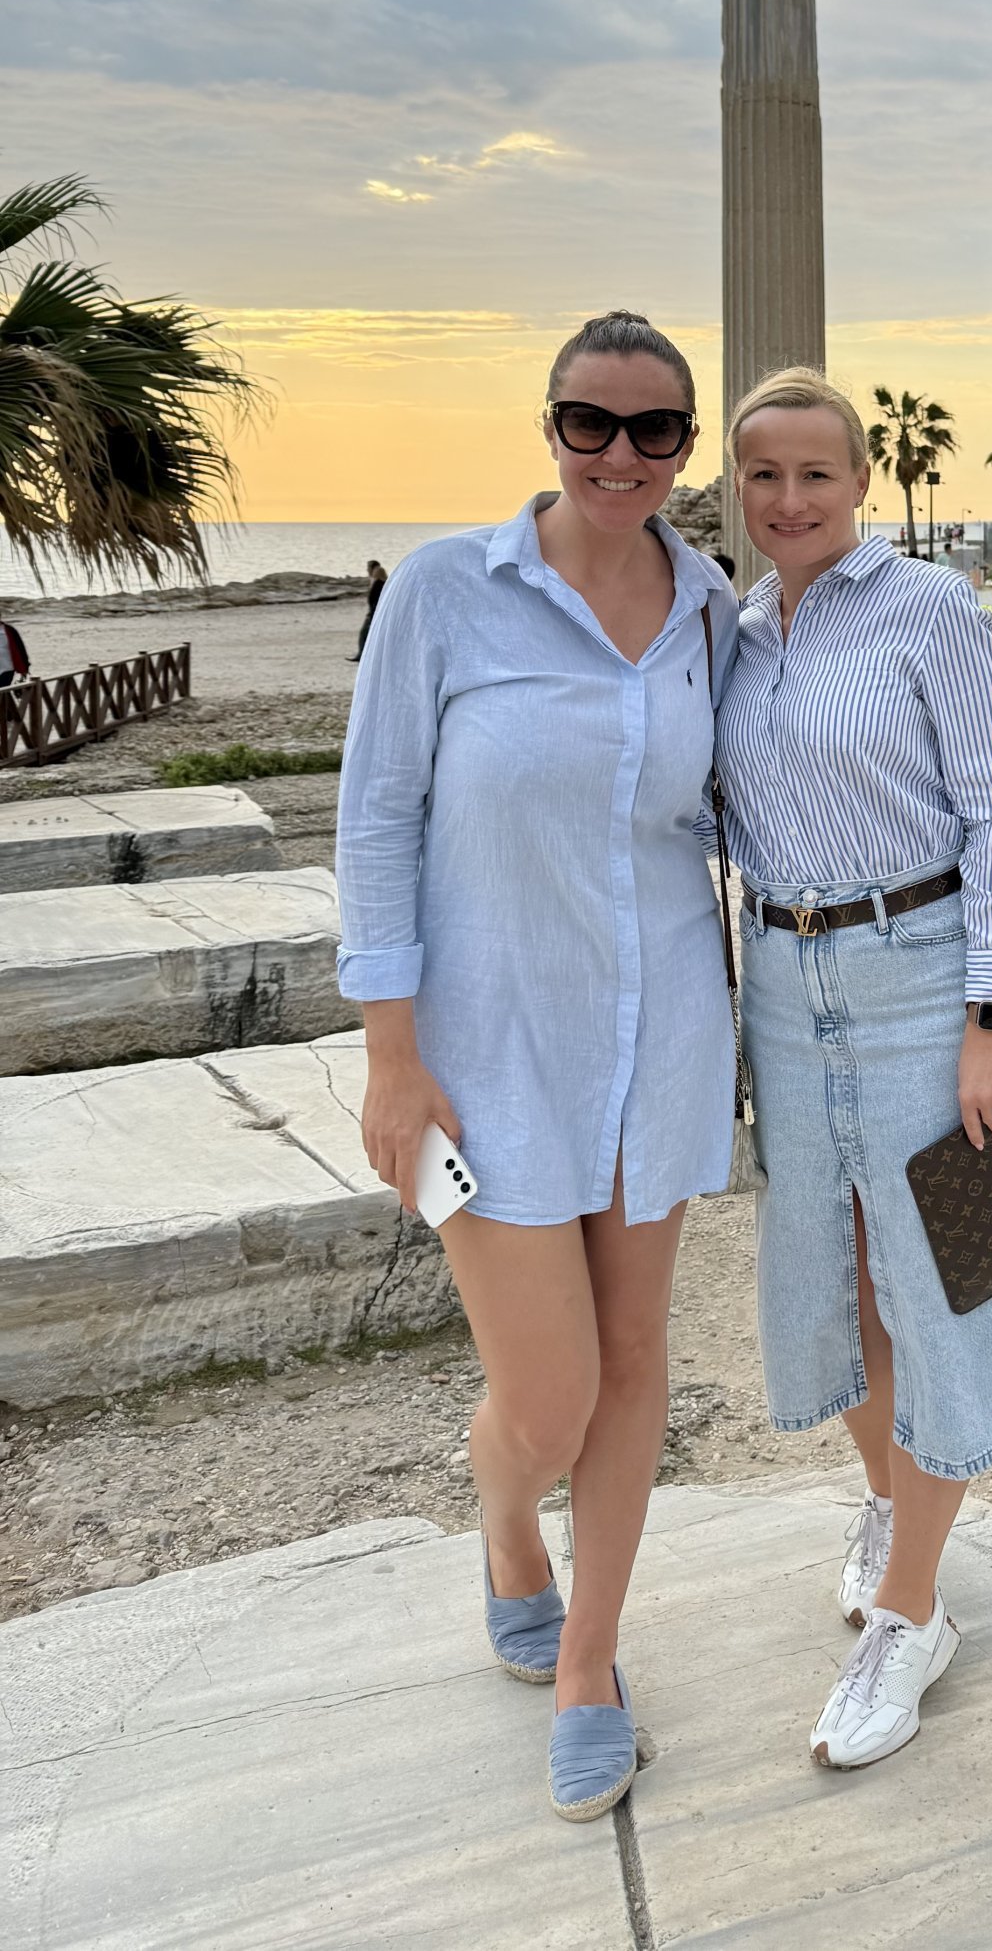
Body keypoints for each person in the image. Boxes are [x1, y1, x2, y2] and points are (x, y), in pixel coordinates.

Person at [336, 310, 736, 1822]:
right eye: (590, 423)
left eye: (654, 430)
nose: (620, 454)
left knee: (634, 1363)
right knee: (549, 1396)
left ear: (684, 446)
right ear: (550, 426)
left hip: (662, 1036)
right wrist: (390, 1055)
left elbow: (743, 809)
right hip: (490, 1050)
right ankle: (507, 1520)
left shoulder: (711, 609)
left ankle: (587, 1659)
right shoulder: (448, 590)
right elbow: (376, 816)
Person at [717, 366, 992, 1771]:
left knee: (952, 1278)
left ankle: (911, 1611)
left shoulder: (934, 611)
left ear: (863, 481)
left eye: (816, 473)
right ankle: (889, 1503)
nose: (790, 499)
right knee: (834, 1271)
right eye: (764, 474)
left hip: (923, 974)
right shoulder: (735, 633)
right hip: (785, 982)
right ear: (735, 487)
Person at [350, 558, 388, 662]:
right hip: (375, 612)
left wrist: (372, 612)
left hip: (374, 613)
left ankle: (361, 655)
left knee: (364, 633)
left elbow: (375, 599)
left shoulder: (378, 583)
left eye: (368, 568)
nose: (367, 570)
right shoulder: (380, 581)